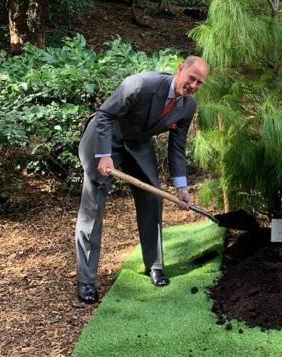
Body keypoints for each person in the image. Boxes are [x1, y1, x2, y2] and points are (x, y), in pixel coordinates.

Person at [74, 56, 209, 304]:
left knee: (153, 196)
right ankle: (86, 281)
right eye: (191, 78)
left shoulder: (187, 106)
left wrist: (181, 187)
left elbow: (177, 147)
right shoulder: (141, 84)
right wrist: (104, 156)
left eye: (200, 83)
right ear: (181, 69)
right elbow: (104, 116)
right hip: (103, 139)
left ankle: (155, 265)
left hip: (137, 145)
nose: (193, 86)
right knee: (93, 208)